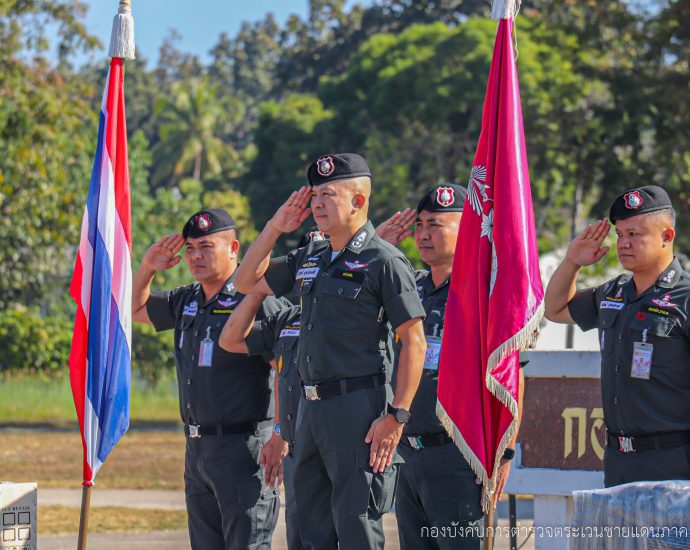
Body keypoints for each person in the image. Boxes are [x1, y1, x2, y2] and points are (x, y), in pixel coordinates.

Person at [233, 153, 428, 549]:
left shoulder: (383, 260)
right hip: (310, 409)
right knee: (311, 529)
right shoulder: (312, 256)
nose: (317, 204)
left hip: (358, 407)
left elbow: (414, 341)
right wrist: (275, 227)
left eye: (328, 195)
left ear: (358, 201)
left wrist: (398, 416)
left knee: (357, 526)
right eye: (315, 196)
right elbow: (245, 281)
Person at [131, 208, 286, 549]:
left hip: (244, 448)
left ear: (234, 248)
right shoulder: (188, 299)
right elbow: (133, 309)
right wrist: (148, 267)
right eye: (190, 248)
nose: (196, 256)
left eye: (206, 246)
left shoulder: (256, 299)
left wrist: (280, 433)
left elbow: (285, 367)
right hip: (198, 449)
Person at [380, 184, 523, 549]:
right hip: (408, 453)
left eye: (436, 225)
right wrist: (378, 243)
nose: (423, 234)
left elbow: (511, 377)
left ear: (469, 231)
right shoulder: (410, 287)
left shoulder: (484, 294)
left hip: (459, 458)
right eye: (420, 224)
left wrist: (505, 453)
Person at [544, 185, 690, 487]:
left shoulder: (685, 297)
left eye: (634, 234)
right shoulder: (614, 292)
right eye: (620, 234)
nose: (623, 243)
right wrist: (572, 262)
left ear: (667, 236)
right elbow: (554, 309)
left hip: (674, 461)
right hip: (618, 459)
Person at [218, 229, 328, 550]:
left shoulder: (357, 317)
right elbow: (231, 339)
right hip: (298, 447)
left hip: (340, 444)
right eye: (308, 264)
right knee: (300, 534)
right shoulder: (286, 319)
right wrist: (258, 290)